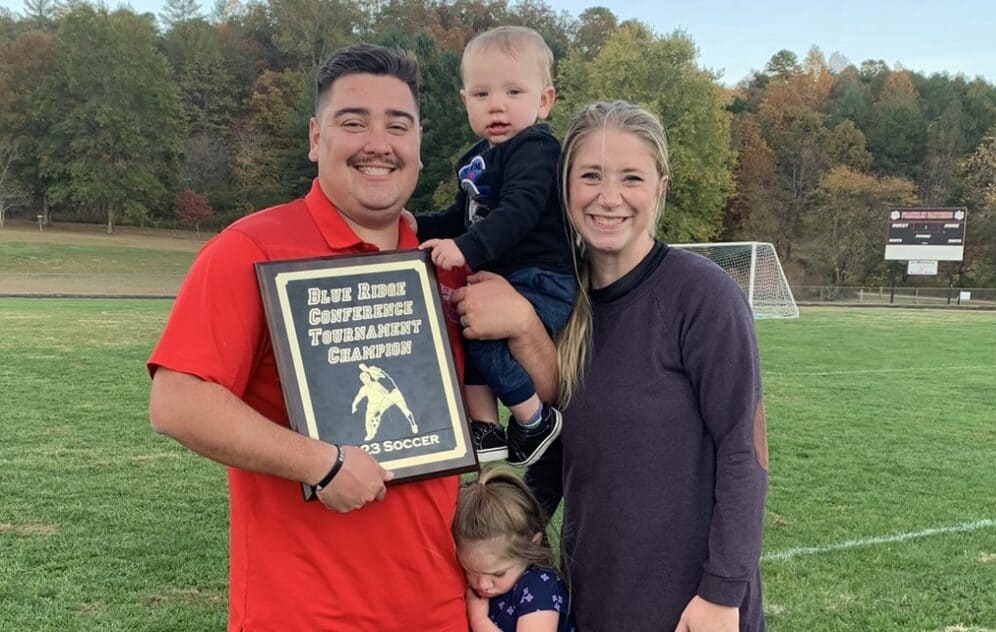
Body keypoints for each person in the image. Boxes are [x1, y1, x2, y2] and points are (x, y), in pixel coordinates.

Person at [147, 43, 557, 631]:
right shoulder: (251, 249)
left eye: (398, 125)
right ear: (316, 138)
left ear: (418, 144)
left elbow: (548, 390)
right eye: (354, 122)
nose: (378, 143)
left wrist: (522, 323)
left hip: (439, 613)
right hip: (303, 616)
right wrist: (323, 463)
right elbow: (177, 400)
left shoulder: (446, 261)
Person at [463, 101, 770, 631]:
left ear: (660, 187)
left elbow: (744, 451)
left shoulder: (701, 295)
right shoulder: (555, 302)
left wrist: (721, 594)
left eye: (631, 177)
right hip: (593, 600)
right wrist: (501, 535)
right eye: (591, 176)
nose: (609, 197)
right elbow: (560, 453)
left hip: (690, 608)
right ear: (564, 187)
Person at [413, 25, 575, 467]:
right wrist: (415, 224)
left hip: (541, 277)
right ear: (465, 101)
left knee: (481, 333)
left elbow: (519, 210)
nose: (497, 105)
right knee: (467, 332)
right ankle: (485, 427)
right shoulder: (474, 159)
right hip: (506, 278)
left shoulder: (536, 148)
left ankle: (533, 419)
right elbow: (461, 215)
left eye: (513, 91)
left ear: (544, 101)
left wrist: (467, 248)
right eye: (482, 94)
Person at [453, 467, 573, 632]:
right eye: (471, 572)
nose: (483, 585)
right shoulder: (483, 586)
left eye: (498, 574)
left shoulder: (541, 588)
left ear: (533, 544)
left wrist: (479, 621)